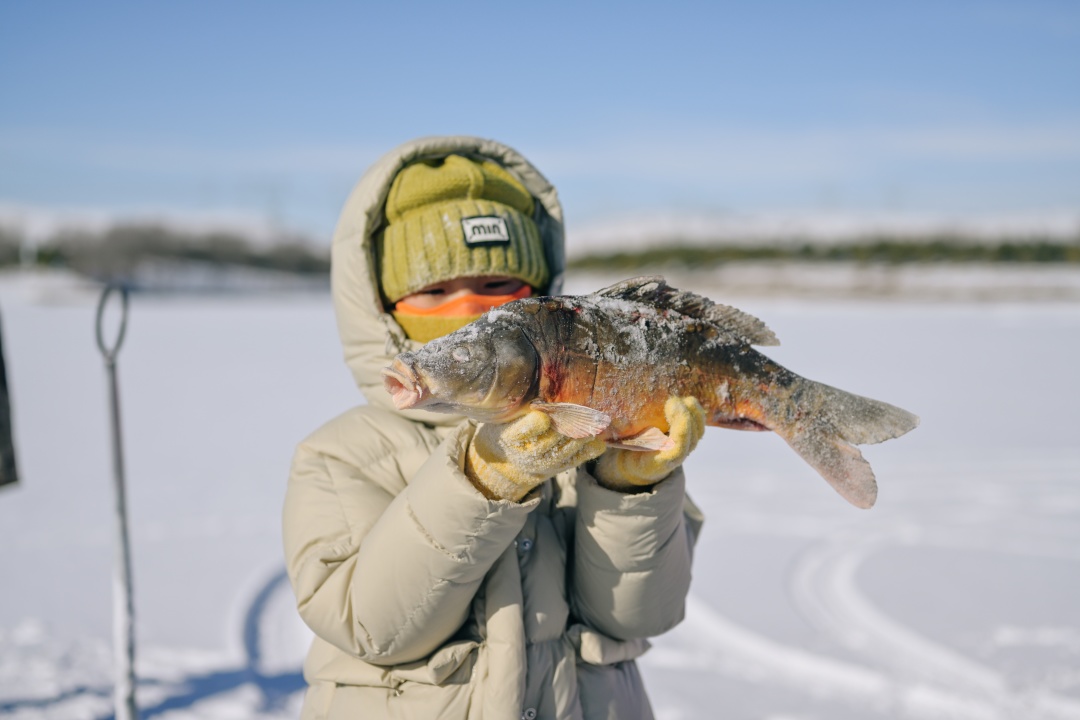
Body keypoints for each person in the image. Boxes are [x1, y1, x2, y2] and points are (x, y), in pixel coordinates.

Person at [283, 136, 705, 720]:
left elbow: (642, 614)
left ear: (540, 305)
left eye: (498, 289)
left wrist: (629, 489)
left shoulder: (594, 434)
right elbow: (374, 626)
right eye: (433, 291)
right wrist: (481, 477)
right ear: (381, 303)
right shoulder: (343, 453)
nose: (471, 311)